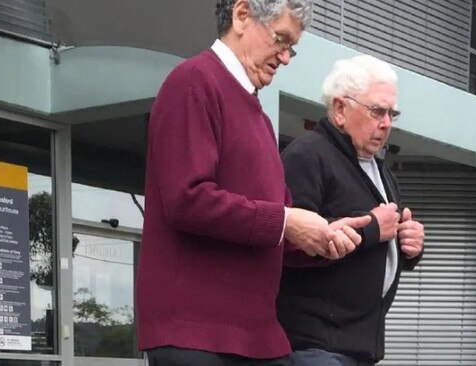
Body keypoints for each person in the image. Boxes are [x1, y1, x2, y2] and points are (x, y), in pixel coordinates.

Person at [136, 1, 371, 365]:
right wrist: (285, 221)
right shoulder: (193, 82)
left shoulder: (258, 116)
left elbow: (271, 229)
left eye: (292, 47)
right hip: (197, 336)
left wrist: (321, 238)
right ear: (241, 14)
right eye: (281, 39)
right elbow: (187, 199)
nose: (286, 57)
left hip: (254, 337)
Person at [277, 55, 426, 366]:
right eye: (376, 111)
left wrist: (408, 245)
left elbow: (382, 239)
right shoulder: (308, 155)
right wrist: (372, 229)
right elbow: (288, 244)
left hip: (356, 346)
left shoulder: (379, 170)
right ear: (340, 109)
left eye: (391, 113)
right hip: (312, 346)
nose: (386, 123)